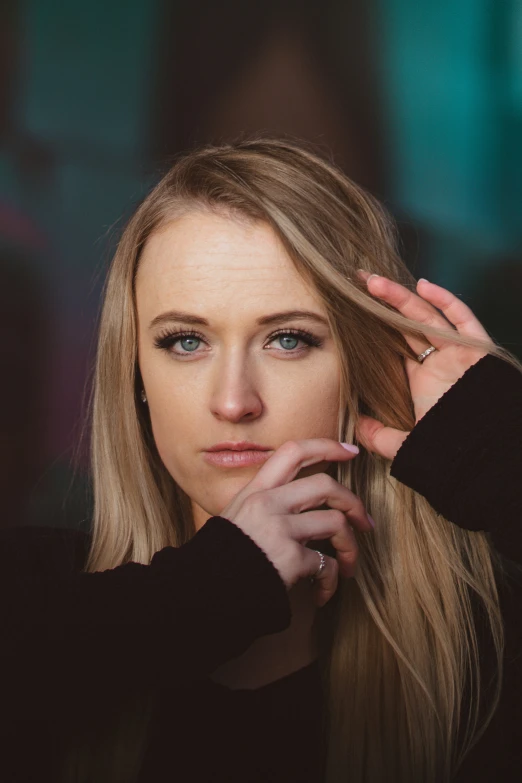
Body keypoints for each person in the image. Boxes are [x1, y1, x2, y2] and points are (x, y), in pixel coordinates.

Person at [1, 137, 521, 783]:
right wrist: (213, 587)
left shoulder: (487, 652)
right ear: (136, 370)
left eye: (288, 339)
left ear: (360, 363)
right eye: (186, 341)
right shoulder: (34, 593)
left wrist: (504, 457)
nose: (233, 401)